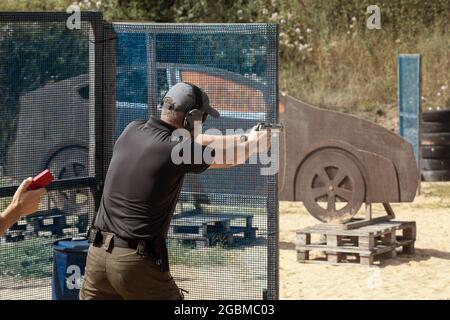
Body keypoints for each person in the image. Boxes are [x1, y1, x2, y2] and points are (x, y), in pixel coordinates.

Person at [79, 82, 271, 300]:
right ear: (191, 118)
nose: (203, 124)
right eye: (203, 119)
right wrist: (254, 145)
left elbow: (197, 141)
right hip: (133, 264)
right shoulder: (175, 149)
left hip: (97, 257)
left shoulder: (133, 129)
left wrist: (244, 137)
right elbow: (230, 158)